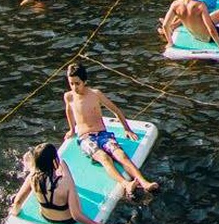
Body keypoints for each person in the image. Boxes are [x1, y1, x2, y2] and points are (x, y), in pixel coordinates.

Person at [61, 63, 157, 196]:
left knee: (120, 154)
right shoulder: (69, 96)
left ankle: (144, 182)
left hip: (103, 135)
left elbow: (115, 110)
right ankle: (126, 184)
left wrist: (127, 129)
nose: (74, 87)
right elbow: (69, 111)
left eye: (77, 83)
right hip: (85, 138)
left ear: (85, 81)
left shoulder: (95, 94)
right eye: (71, 84)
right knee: (104, 158)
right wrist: (72, 129)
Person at [10, 143, 99, 224]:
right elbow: (76, 216)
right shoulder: (65, 183)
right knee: (71, 187)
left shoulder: (32, 178)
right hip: (68, 220)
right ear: (55, 161)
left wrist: (14, 214)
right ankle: (62, 168)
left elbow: (18, 202)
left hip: (46, 217)